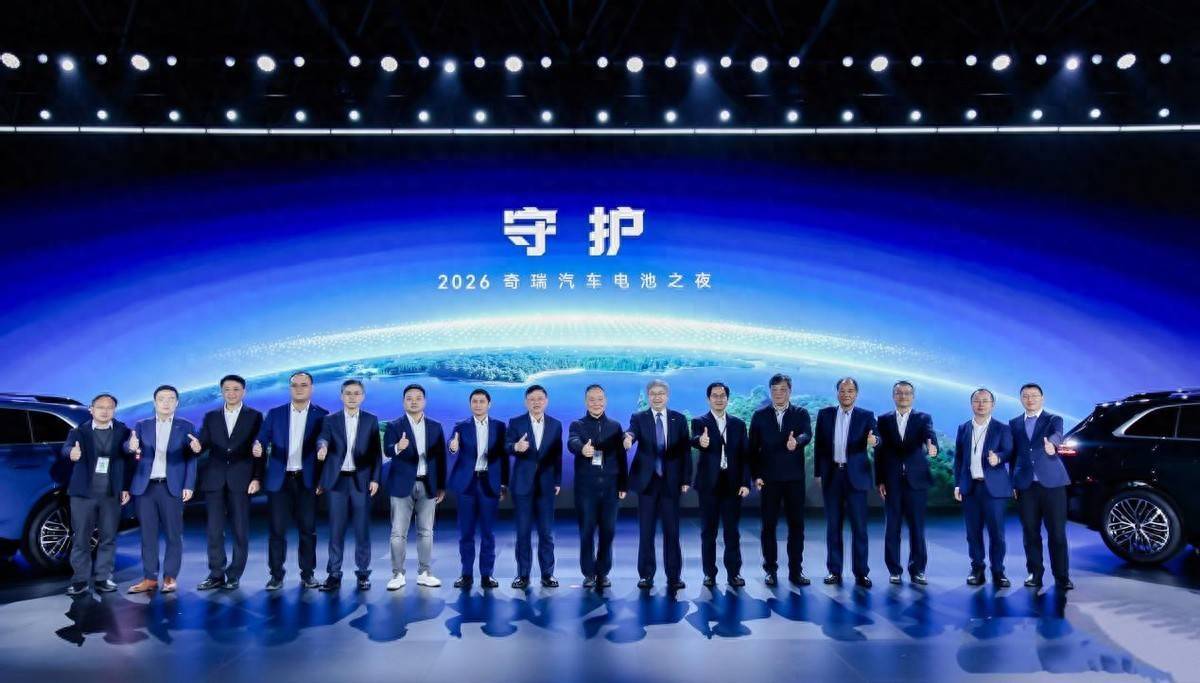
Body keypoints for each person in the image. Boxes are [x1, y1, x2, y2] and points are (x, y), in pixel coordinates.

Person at [253, 371, 328, 590]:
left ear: (311, 388)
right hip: (280, 480)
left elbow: (324, 438)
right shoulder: (275, 413)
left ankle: (308, 574)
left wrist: (323, 447)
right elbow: (262, 436)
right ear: (290, 388)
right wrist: (258, 444)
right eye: (295, 385)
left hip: (307, 480)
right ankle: (276, 575)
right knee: (277, 531)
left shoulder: (322, 415)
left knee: (308, 530)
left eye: (304, 385)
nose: (299, 389)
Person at [125, 385, 197, 594]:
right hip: (145, 488)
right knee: (148, 535)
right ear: (155, 402)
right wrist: (130, 447)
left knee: (174, 535)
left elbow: (191, 458)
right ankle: (149, 578)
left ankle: (170, 577)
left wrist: (189, 485)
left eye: (171, 398)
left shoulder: (186, 426)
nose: (166, 402)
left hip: (171, 487)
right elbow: (128, 448)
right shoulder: (141, 425)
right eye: (162, 399)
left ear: (177, 402)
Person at [195, 374, 263, 591]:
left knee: (240, 530)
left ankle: (234, 575)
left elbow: (259, 451)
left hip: (241, 479)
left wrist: (257, 477)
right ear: (221, 391)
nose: (231, 393)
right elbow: (203, 443)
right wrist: (196, 447)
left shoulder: (255, 416)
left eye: (236, 389)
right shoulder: (211, 416)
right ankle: (216, 574)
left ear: (243, 391)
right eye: (227, 389)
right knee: (214, 530)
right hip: (214, 479)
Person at [624, 379, 692, 591]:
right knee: (646, 532)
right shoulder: (639, 417)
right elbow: (632, 432)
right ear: (648, 396)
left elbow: (685, 452)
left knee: (672, 532)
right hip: (647, 484)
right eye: (653, 393)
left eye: (661, 393)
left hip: (671, 484)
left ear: (667, 396)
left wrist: (686, 479)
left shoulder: (679, 419)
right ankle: (646, 575)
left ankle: (674, 576)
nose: (657, 397)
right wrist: (628, 438)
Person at [316, 379, 382, 591]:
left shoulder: (371, 420)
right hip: (337, 481)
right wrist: (322, 447)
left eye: (356, 393)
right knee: (336, 530)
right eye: (348, 393)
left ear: (362, 396)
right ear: (341, 396)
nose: (352, 397)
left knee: (362, 529)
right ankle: (334, 574)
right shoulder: (330, 420)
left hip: (361, 480)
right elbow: (323, 438)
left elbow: (376, 453)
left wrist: (375, 479)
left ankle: (363, 574)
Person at [62, 394, 131, 596]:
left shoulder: (123, 431)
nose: (105, 411)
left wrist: (125, 487)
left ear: (114, 410)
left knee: (108, 538)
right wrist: (71, 453)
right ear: (91, 409)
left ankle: (103, 578)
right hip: (83, 495)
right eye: (100, 407)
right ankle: (80, 580)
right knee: (81, 539)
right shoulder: (78, 432)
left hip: (110, 494)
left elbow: (128, 460)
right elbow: (66, 449)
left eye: (109, 407)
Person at [748, 373, 813, 586]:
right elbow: (752, 449)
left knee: (796, 526)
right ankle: (770, 570)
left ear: (789, 391)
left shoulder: (800, 413)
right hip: (769, 480)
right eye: (774, 390)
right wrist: (756, 475)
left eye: (783, 390)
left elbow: (807, 434)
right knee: (768, 526)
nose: (778, 394)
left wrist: (798, 442)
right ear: (770, 392)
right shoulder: (759, 415)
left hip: (794, 479)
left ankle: (796, 571)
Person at [873, 380, 939, 585]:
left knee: (917, 528)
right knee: (892, 528)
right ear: (893, 396)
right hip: (891, 482)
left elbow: (930, 436)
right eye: (899, 393)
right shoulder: (883, 420)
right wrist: (880, 480)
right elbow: (879, 452)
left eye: (907, 393)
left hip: (916, 482)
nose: (903, 396)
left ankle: (918, 570)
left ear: (913, 396)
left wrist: (933, 447)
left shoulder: (923, 418)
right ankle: (894, 570)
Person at [814, 377, 877, 588]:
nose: (846, 394)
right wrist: (818, 473)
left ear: (856, 394)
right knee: (833, 527)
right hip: (832, 476)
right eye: (842, 390)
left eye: (850, 391)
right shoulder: (825, 415)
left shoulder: (866, 416)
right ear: (837, 393)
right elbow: (819, 446)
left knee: (859, 528)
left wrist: (874, 440)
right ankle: (834, 571)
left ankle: (861, 573)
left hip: (856, 478)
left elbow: (877, 437)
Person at [383, 383, 447, 589]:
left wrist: (441, 486)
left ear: (424, 401)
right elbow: (387, 451)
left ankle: (425, 572)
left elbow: (441, 459)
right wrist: (398, 447)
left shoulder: (435, 426)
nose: (414, 401)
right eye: (409, 398)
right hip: (401, 485)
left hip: (428, 484)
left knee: (426, 531)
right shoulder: (394, 426)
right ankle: (397, 574)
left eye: (418, 398)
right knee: (398, 533)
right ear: (403, 402)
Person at [1009, 383, 1073, 590]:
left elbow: (1057, 434)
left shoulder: (1053, 419)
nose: (1030, 399)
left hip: (1053, 484)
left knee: (1057, 534)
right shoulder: (1014, 423)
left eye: (1034, 395)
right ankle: (1035, 574)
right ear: (1021, 399)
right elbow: (1014, 456)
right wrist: (1013, 482)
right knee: (1030, 532)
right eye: (1026, 396)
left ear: (1042, 398)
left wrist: (1052, 444)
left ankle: (1062, 577)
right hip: (1026, 486)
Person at [567, 384, 628, 590]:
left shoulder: (615, 426)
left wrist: (623, 484)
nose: (596, 403)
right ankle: (588, 573)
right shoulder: (577, 424)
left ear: (606, 401)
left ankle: (603, 572)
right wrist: (581, 449)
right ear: (586, 402)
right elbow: (572, 441)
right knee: (586, 532)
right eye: (592, 399)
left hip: (611, 488)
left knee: (608, 532)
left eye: (600, 399)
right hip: (586, 490)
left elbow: (621, 457)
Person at [690, 382, 751, 588]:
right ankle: (709, 573)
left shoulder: (738, 424)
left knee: (732, 532)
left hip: (732, 485)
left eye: (722, 395)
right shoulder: (700, 422)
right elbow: (695, 438)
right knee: (708, 532)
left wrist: (745, 482)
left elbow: (745, 456)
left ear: (727, 399)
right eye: (714, 396)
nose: (719, 399)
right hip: (709, 486)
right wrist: (700, 441)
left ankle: (734, 573)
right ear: (708, 399)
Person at [447, 388, 508, 589]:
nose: (478, 404)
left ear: (489, 404)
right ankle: (466, 574)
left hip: (489, 484)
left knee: (488, 533)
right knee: (466, 533)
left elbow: (504, 458)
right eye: (475, 401)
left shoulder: (500, 426)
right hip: (467, 485)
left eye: (482, 401)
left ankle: (486, 575)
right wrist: (453, 447)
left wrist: (503, 483)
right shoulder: (461, 426)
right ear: (470, 404)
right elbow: (452, 445)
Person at [954, 387, 1014, 587]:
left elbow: (1009, 451)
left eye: (985, 401)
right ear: (971, 404)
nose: (981, 404)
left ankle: (998, 571)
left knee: (997, 533)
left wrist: (999, 458)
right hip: (970, 487)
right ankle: (977, 569)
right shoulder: (963, 428)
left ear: (992, 405)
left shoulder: (1002, 428)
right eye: (977, 401)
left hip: (994, 489)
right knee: (973, 533)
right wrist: (957, 484)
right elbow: (959, 459)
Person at [505, 384, 563, 589]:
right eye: (532, 399)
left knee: (546, 533)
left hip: (547, 485)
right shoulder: (516, 422)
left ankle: (548, 574)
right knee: (523, 533)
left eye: (540, 399)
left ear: (546, 401)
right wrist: (516, 446)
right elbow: (506, 446)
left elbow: (557, 455)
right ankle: (523, 575)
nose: (536, 402)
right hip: (522, 485)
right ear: (526, 402)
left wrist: (557, 480)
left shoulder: (555, 424)